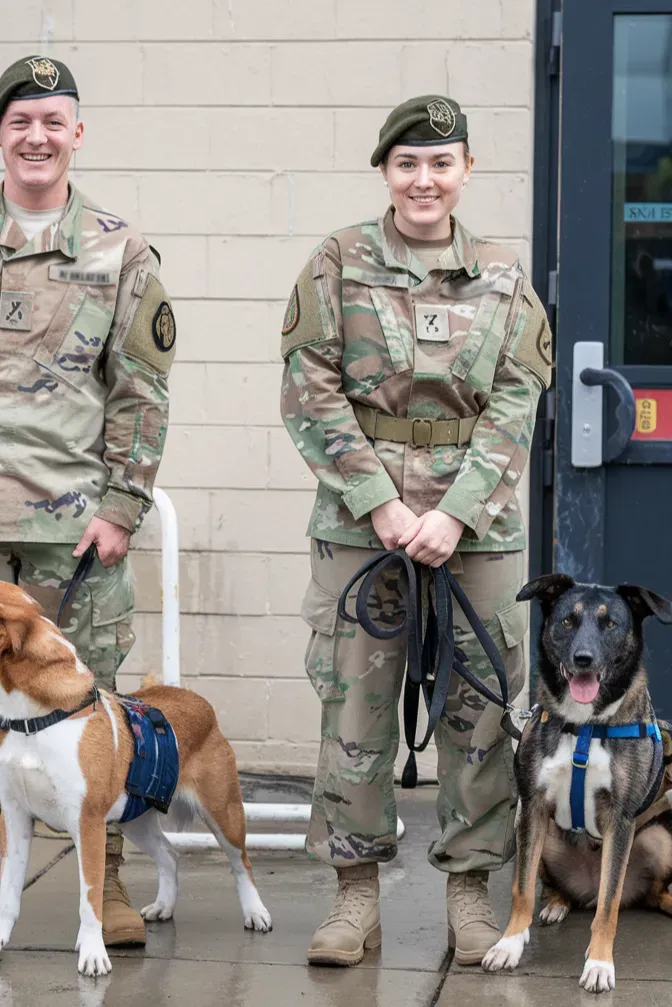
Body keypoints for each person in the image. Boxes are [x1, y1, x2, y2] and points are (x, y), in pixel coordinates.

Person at [280, 95, 553, 967]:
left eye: (441, 163)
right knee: (355, 703)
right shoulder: (339, 261)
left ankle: (473, 893)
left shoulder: (506, 278)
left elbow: (518, 401)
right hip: (363, 527)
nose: (424, 179)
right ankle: (354, 894)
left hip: (477, 529)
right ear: (386, 173)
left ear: (466, 171)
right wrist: (383, 503)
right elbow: (310, 387)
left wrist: (455, 511)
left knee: (478, 709)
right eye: (407, 164)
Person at [0, 56, 176, 946]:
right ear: (3, 134)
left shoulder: (118, 247)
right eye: (20, 119)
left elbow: (143, 390)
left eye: (52, 119)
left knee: (88, 716)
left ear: (77, 133)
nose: (37, 135)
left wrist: (122, 506)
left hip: (78, 534)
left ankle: (102, 888)